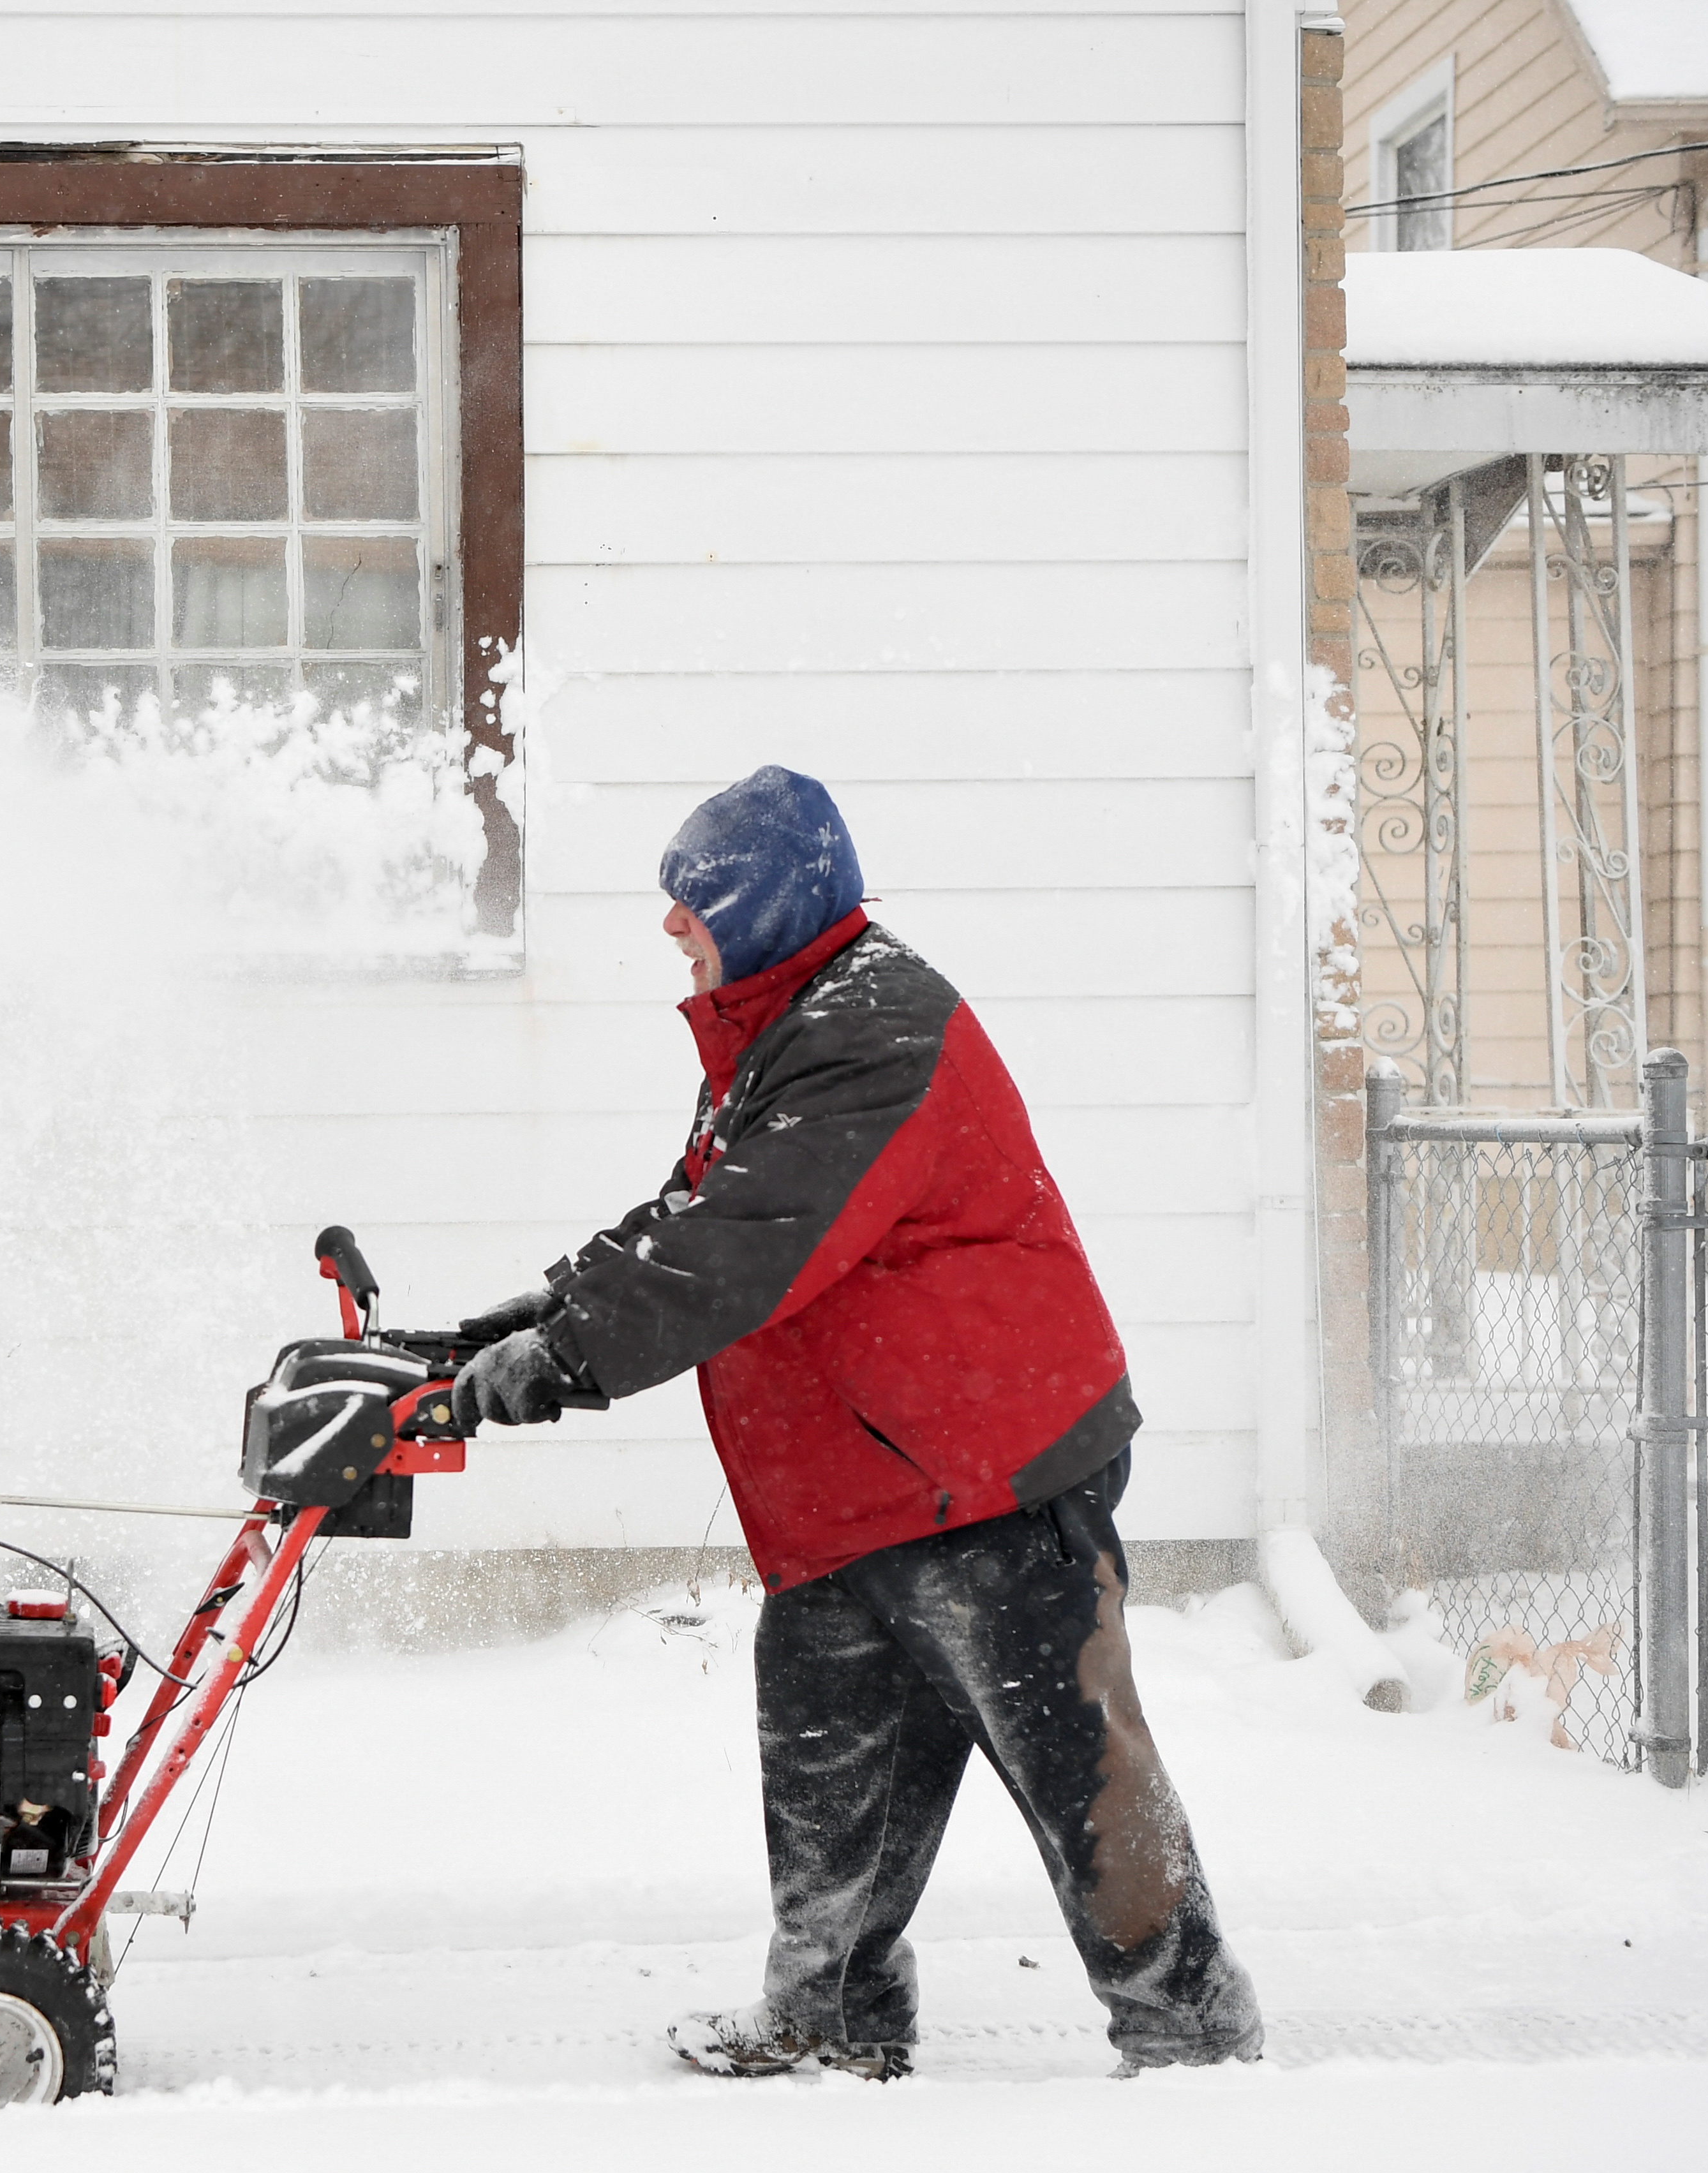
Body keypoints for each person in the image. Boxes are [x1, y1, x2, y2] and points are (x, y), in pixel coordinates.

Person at [450, 766, 1261, 2081]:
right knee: (831, 1766)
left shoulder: (875, 1027)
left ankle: (1193, 2035)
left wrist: (566, 1360)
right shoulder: (784, 1025)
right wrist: (532, 1314)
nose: (670, 924)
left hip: (986, 1471)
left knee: (1077, 1770)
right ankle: (829, 2015)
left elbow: (745, 1251)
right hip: (854, 1485)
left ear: (766, 903)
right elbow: (690, 1212)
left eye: (693, 899)